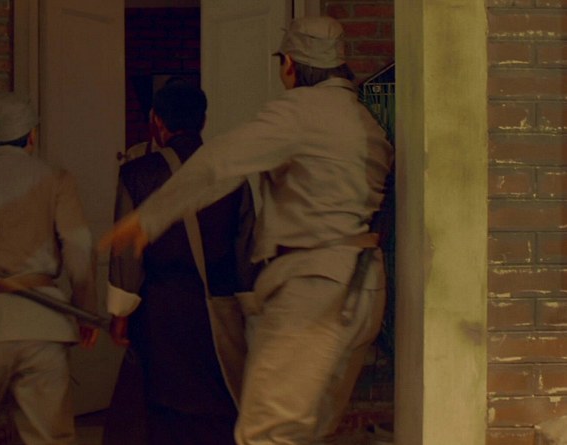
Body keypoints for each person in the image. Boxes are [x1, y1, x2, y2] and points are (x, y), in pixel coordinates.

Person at [100, 15, 393, 445]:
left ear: (289, 64)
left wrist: (150, 217)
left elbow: (222, 162)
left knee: (265, 433)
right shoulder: (363, 120)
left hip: (312, 287)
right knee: (308, 432)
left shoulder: (301, 111)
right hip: (364, 288)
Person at [103, 81, 258, 445]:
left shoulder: (137, 174)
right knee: (219, 407)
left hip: (160, 313)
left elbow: (126, 257)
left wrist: (120, 313)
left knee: (164, 411)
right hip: (218, 314)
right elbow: (247, 252)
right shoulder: (232, 175)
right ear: (203, 120)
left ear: (157, 121)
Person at [0, 92, 99, 445]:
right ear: (32, 135)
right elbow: (79, 249)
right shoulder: (55, 179)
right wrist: (85, 312)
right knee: (49, 437)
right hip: (43, 324)